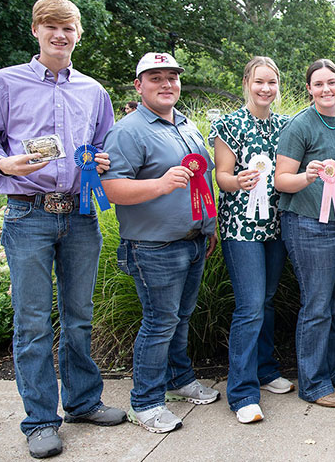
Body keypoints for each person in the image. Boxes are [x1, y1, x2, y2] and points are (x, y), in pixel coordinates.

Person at [0, 0, 125, 458]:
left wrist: (100, 158)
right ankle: (39, 420)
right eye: (51, 27)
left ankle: (81, 402)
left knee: (79, 317)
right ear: (36, 30)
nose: (60, 35)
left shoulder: (94, 92)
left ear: (79, 34)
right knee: (33, 322)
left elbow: (104, 145)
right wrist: (3, 163)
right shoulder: (5, 83)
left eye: (69, 28)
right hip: (27, 213)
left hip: (79, 215)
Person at [101, 52, 220, 434]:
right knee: (159, 323)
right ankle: (146, 402)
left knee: (179, 318)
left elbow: (201, 181)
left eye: (172, 77)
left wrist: (208, 225)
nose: (166, 84)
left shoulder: (186, 125)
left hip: (194, 240)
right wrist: (160, 184)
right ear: (139, 86)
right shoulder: (129, 130)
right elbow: (112, 189)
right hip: (154, 247)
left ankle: (178, 380)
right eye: (156, 78)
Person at [274, 59, 335, 408]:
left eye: (332, 82)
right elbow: (282, 180)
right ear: (309, 89)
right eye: (318, 84)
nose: (326, 89)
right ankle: (312, 383)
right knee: (317, 304)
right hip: (309, 224)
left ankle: (334, 369)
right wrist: (308, 176)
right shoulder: (300, 125)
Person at [211, 56, 293, 424]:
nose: (265, 89)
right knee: (249, 305)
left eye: (271, 83)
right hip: (240, 228)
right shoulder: (228, 125)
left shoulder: (285, 126)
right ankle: (242, 392)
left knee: (268, 299)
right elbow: (221, 176)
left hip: (276, 226)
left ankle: (265, 368)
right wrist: (239, 181)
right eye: (259, 82)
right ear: (246, 82)